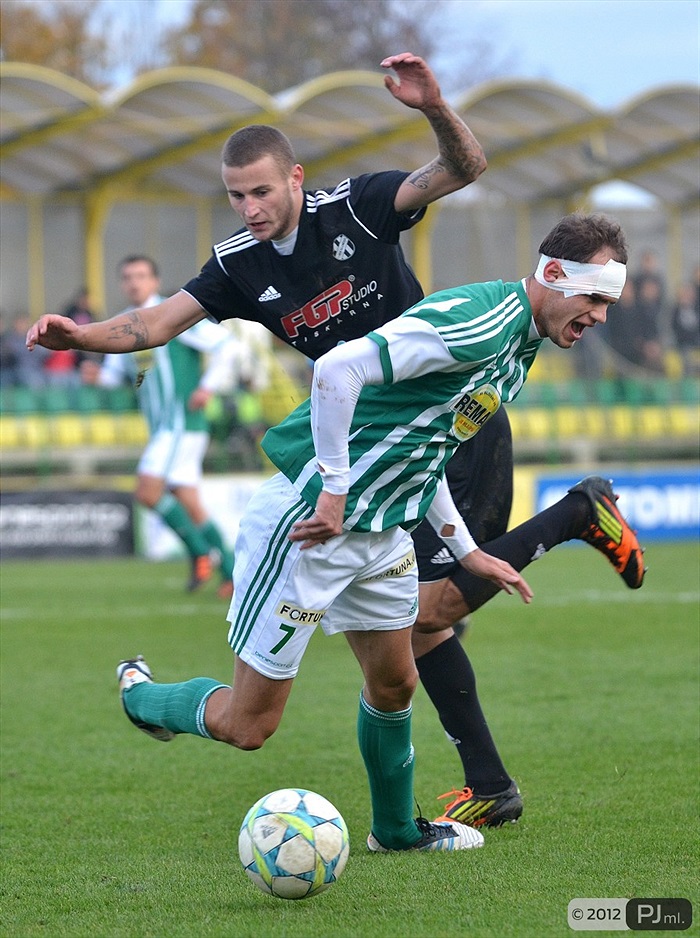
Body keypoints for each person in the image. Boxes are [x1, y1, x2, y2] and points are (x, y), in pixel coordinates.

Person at [25, 54, 644, 828]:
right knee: (396, 641)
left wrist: (435, 105)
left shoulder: (359, 210)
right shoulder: (241, 267)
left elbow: (464, 166)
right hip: (349, 465)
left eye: (261, 189)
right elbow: (153, 324)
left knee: (411, 653)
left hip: (423, 437)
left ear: (296, 179)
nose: (249, 208)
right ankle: (147, 696)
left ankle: (426, 815)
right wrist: (77, 336)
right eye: (236, 195)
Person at [102, 212, 630, 855]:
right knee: (249, 725)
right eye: (595, 298)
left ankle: (397, 832)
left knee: (395, 681)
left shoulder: (519, 345)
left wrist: (467, 553)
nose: (601, 316)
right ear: (553, 275)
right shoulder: (480, 321)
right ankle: (143, 699)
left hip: (383, 533)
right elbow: (336, 372)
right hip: (309, 529)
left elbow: (427, 451)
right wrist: (331, 488)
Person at [83, 255, 241, 597]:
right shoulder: (123, 324)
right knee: (189, 501)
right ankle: (231, 570)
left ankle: (200, 553)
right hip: (164, 429)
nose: (134, 282)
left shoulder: (173, 314)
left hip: (180, 424)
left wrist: (207, 386)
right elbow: (115, 376)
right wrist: (97, 377)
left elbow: (227, 346)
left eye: (141, 276)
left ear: (154, 281)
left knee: (147, 491)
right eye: (127, 277)